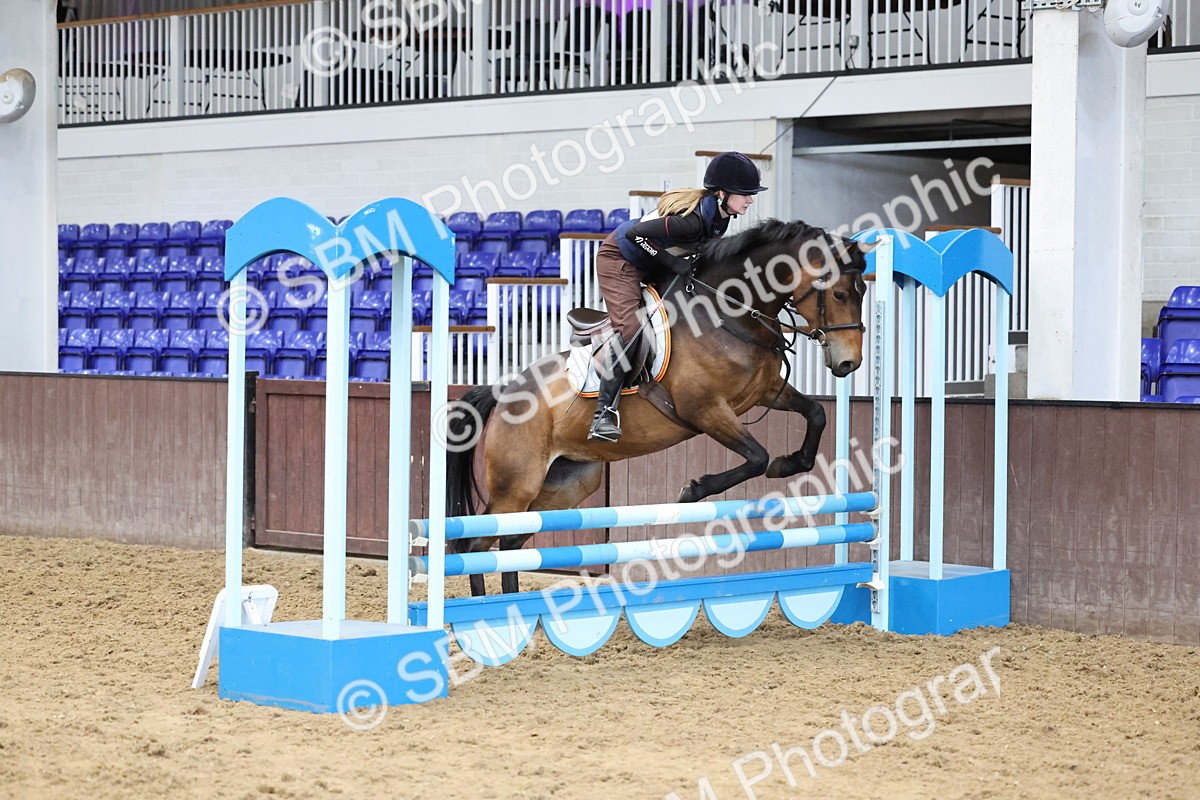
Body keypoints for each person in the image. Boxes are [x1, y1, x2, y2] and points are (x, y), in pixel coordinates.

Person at [587, 151, 768, 443]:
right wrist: (673, 264)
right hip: (620, 259)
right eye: (744, 194)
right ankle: (603, 413)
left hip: (651, 260)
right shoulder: (692, 221)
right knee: (632, 328)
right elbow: (636, 235)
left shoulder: (722, 217)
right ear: (722, 194)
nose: (750, 200)